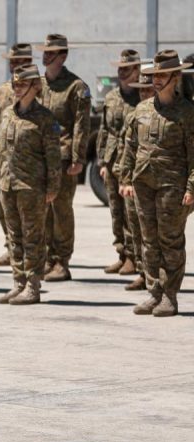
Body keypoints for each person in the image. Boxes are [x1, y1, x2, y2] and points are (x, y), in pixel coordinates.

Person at [120, 50, 194, 317]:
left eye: (161, 75)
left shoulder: (187, 113)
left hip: (172, 187)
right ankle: (153, 292)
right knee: (148, 240)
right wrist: (125, 177)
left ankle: (170, 296)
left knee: (170, 241)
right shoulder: (142, 109)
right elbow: (130, 146)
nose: (156, 80)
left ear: (175, 77)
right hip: (143, 183)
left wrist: (191, 188)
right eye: (153, 75)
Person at [0, 64, 61, 305]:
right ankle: (18, 282)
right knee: (14, 236)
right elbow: (1, 151)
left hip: (32, 187)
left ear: (35, 87)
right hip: (8, 184)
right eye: (15, 84)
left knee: (33, 237)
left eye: (23, 84)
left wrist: (53, 187)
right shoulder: (7, 114)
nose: (17, 88)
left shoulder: (45, 119)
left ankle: (33, 285)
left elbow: (53, 157)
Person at [36, 34, 91, 281]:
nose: (46, 55)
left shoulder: (76, 87)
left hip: (63, 158)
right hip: (39, 158)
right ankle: (48, 257)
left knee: (61, 210)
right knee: (43, 210)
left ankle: (62, 260)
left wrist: (78, 159)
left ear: (63, 56)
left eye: (51, 53)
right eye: (45, 52)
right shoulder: (38, 84)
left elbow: (82, 125)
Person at [0, 43, 36, 267]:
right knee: (4, 209)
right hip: (2, 161)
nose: (16, 65)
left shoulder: (38, 90)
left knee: (33, 216)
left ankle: (39, 257)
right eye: (13, 61)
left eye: (21, 61)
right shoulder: (1, 92)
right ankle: (12, 248)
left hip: (28, 163)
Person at [97, 50, 142, 275]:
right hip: (113, 160)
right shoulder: (112, 97)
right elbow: (105, 130)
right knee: (116, 212)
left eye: (127, 69)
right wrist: (103, 161)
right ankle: (122, 253)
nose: (122, 72)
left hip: (132, 164)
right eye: (120, 69)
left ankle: (135, 257)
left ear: (137, 71)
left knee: (131, 213)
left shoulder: (143, 97)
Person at [118, 73, 156, 291]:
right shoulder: (135, 115)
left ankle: (161, 278)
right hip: (137, 182)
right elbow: (128, 150)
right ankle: (143, 272)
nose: (145, 94)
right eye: (141, 90)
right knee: (136, 228)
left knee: (159, 234)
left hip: (163, 183)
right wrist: (125, 179)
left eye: (148, 89)